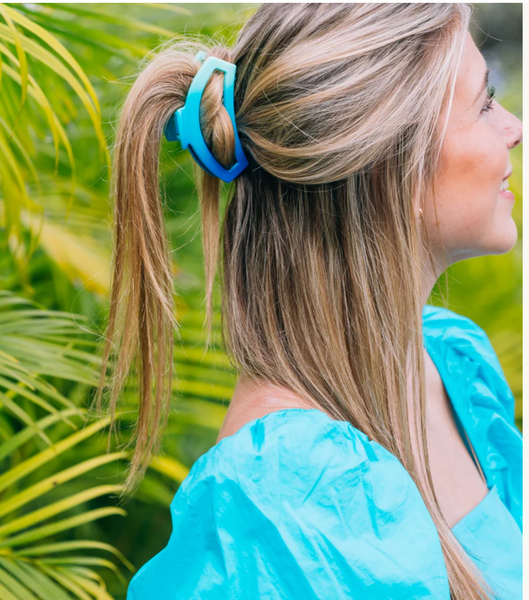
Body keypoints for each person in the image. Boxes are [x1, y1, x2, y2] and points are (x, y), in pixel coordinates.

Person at [95, 4, 522, 599]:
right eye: (485, 102)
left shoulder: (451, 363)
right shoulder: (280, 506)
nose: (515, 127)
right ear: (387, 170)